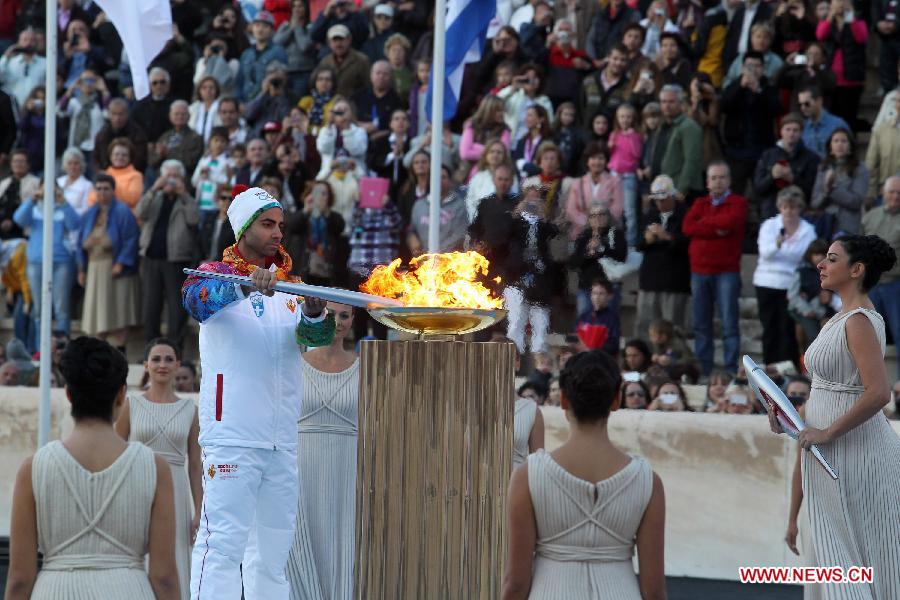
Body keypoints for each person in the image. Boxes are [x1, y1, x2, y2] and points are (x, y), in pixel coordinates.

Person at [181, 185, 333, 599]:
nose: (277, 233)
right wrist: (247, 285)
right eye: (267, 224)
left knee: (271, 557)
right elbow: (194, 302)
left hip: (281, 440)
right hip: (232, 437)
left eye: (281, 225)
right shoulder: (212, 275)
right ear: (244, 227)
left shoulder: (291, 286)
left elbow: (312, 339)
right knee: (222, 550)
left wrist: (315, 313)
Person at [769, 234, 900, 599]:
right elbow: (813, 422)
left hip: (858, 459)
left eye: (831, 258)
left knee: (861, 565)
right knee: (840, 568)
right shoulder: (836, 320)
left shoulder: (858, 321)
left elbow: (879, 392)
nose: (820, 264)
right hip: (830, 458)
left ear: (856, 270)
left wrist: (827, 432)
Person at [4, 337, 180, 599]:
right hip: (128, 590)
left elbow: (20, 577)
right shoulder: (156, 468)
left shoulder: (32, 470)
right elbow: (163, 576)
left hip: (56, 591)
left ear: (69, 394)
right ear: (121, 395)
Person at [502, 350, 665, 599]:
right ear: (616, 400)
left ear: (564, 399)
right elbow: (653, 590)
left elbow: (515, 584)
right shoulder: (648, 482)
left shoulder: (527, 476)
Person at [115, 338, 201, 600]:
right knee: (138, 553)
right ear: (145, 366)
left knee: (174, 553)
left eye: (168, 359)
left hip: (175, 492)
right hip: (136, 488)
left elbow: (195, 465)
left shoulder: (190, 408)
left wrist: (199, 511)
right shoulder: (131, 404)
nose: (162, 364)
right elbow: (115, 453)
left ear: (177, 365)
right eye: (156, 359)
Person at [285, 301, 358, 599]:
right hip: (302, 464)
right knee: (299, 544)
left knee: (345, 544)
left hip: (348, 467)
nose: (338, 322)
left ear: (354, 320)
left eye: (345, 315)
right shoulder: (294, 362)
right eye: (332, 314)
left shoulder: (366, 366)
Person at [683, 161, 747, 376]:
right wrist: (716, 227)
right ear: (707, 182)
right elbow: (687, 227)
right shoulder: (699, 203)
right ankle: (705, 370)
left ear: (729, 180)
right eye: (713, 178)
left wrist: (704, 225)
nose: (718, 181)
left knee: (729, 324)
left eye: (722, 177)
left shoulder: (738, 203)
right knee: (701, 325)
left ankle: (730, 370)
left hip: (726, 271)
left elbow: (731, 223)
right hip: (698, 271)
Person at [753, 186, 817, 367]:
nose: (789, 211)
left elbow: (807, 257)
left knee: (788, 329)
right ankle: (769, 366)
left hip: (792, 285)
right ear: (780, 207)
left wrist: (782, 253)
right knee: (770, 327)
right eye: (785, 207)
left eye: (793, 207)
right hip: (766, 282)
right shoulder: (769, 226)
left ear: (799, 207)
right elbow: (765, 254)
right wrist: (778, 245)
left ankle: (787, 367)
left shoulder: (808, 230)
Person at [136, 164, 199, 347]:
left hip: (176, 260)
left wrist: (184, 194)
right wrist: (154, 189)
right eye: (168, 175)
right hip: (151, 259)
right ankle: (151, 349)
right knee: (151, 307)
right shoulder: (155, 197)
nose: (171, 179)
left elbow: (194, 219)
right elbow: (140, 212)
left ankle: (175, 349)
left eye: (175, 175)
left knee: (176, 308)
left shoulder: (186, 200)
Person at [77, 174, 141, 352]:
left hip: (115, 267)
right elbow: (79, 244)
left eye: (106, 188)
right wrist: (81, 269)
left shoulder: (123, 211)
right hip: (94, 267)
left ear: (113, 191)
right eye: (98, 188)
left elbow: (131, 239)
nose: (102, 192)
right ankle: (100, 353)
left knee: (120, 313)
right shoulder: (89, 214)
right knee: (98, 315)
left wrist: (121, 262)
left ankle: (119, 352)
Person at [13, 181, 81, 339]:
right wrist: (33, 198)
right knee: (39, 310)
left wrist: (62, 201)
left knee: (61, 308)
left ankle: (63, 349)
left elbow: (75, 224)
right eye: (45, 187)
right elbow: (18, 219)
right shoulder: (35, 208)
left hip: (61, 262)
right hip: (36, 262)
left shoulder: (62, 207)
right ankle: (40, 350)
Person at [635, 175, 690, 339]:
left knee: (672, 330)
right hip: (649, 281)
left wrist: (667, 237)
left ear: (672, 196)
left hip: (674, 283)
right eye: (657, 200)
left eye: (664, 199)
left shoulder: (685, 214)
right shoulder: (650, 214)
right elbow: (637, 243)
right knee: (645, 329)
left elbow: (689, 243)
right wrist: (647, 240)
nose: (660, 203)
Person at [861, 176, 900, 379]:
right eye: (891, 192)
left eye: (899, 193)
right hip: (871, 285)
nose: (895, 196)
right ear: (883, 194)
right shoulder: (870, 217)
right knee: (866, 335)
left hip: (896, 285)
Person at [753, 112, 819, 221]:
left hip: (798, 214)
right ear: (781, 131)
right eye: (788, 129)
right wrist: (772, 176)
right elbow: (758, 188)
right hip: (769, 213)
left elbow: (812, 191)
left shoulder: (811, 158)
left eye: (795, 130)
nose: (791, 133)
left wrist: (792, 179)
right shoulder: (768, 155)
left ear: (801, 132)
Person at [809, 127, 868, 237]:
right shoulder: (823, 168)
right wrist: (826, 192)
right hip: (825, 224)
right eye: (836, 141)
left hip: (848, 227)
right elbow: (815, 203)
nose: (839, 144)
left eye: (844, 141)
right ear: (830, 146)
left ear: (850, 146)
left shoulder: (860, 168)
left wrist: (833, 189)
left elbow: (856, 201)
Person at [865, 91, 900, 207]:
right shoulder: (881, 130)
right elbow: (871, 164)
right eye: (898, 101)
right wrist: (870, 193)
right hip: (886, 195)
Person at [798, 85, 849, 160]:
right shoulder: (803, 127)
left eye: (807, 104)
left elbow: (849, 151)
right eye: (800, 104)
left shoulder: (838, 124)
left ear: (819, 101)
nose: (803, 108)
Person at [575, 279, 621, 356]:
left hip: (601, 360)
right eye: (594, 293)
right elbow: (574, 337)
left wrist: (593, 351)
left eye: (601, 294)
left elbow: (613, 344)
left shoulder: (612, 318)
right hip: (582, 359)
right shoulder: (584, 316)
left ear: (610, 296)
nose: (597, 297)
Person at [513, 383, 545, 470]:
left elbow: (537, 464)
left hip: (515, 480)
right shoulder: (474, 405)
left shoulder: (531, 409)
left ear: (517, 368)